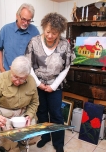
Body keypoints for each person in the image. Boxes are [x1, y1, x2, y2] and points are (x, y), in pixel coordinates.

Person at [25, 12, 76, 152]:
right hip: (37, 83)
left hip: (56, 85)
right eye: (48, 32)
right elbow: (28, 66)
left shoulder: (65, 44)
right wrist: (39, 84)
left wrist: (53, 86)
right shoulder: (34, 42)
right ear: (43, 28)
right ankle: (45, 137)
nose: (50, 36)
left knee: (56, 114)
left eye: (54, 33)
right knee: (41, 112)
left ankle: (58, 143)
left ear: (60, 32)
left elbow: (66, 67)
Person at [0, 56, 39, 152]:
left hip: (22, 114)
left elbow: (34, 102)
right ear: (11, 68)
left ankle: (22, 143)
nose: (17, 81)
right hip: (2, 115)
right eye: (15, 76)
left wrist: (29, 115)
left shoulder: (31, 81)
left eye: (22, 79)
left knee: (32, 134)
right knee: (10, 140)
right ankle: (9, 145)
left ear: (27, 75)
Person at [0, 3, 39, 72]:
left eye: (29, 20)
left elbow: (38, 52)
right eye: (23, 19)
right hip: (9, 73)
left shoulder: (34, 31)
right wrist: (1, 68)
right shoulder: (6, 29)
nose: (26, 23)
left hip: (27, 74)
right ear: (17, 16)